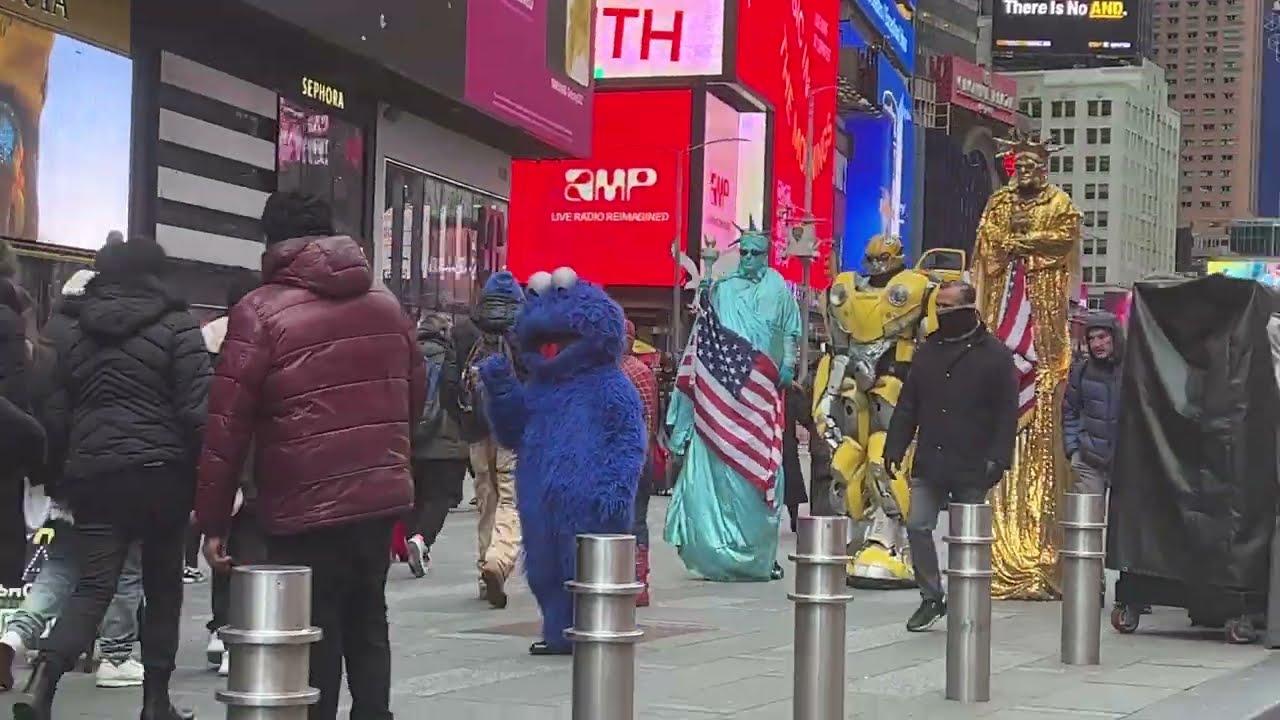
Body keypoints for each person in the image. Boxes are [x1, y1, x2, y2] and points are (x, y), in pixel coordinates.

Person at [195, 192, 424, 720]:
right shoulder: (387, 306)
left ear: (272, 242)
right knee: (369, 614)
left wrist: (212, 520)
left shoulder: (258, 311)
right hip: (377, 492)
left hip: (300, 497)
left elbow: (227, 424)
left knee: (312, 622)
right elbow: (413, 396)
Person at [16, 237, 211, 720]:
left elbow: (53, 411)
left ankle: (43, 681)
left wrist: (59, 475)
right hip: (163, 477)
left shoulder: (65, 327)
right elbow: (197, 411)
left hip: (95, 477)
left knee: (92, 587)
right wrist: (208, 476)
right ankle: (155, 703)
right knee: (163, 588)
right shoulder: (178, 324)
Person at [4, 265, 148, 692]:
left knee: (63, 563)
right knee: (125, 564)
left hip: (65, 478)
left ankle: (14, 634)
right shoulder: (106, 342)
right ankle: (117, 655)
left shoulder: (47, 343)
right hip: (114, 470)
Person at [973, 130, 1082, 600]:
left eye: (1034, 166)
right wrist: (1008, 242)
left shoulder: (1060, 203)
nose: (1027, 174)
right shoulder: (998, 202)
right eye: (1020, 167)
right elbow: (987, 244)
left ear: (1046, 167)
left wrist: (1026, 240)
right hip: (1002, 326)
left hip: (1045, 333)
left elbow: (1063, 240)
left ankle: (1040, 551)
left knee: (1042, 431)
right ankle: (997, 547)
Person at [664, 227, 802, 582]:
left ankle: (759, 555)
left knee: (762, 477)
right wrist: (708, 280)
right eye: (745, 253)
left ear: (768, 255)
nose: (749, 259)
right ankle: (715, 550)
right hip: (720, 402)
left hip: (761, 400)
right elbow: (704, 332)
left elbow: (790, 331)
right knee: (717, 479)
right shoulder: (723, 289)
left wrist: (788, 363)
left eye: (757, 253)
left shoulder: (778, 289)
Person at [884, 280, 1019, 632]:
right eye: (938, 306)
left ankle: (965, 599)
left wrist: (999, 458)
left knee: (967, 538)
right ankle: (931, 596)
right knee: (917, 525)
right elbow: (909, 404)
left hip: (974, 462)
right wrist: (894, 446)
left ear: (967, 308)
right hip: (931, 458)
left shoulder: (995, 355)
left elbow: (1007, 412)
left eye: (947, 306)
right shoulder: (928, 350)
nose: (940, 312)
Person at [200, 270, 264, 676]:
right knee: (252, 553)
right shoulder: (263, 337)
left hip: (221, 454)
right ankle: (236, 636)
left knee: (222, 547)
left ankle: (219, 630)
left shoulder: (207, 340)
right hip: (256, 463)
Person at [450, 271, 524, 608]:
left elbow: (448, 383)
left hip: (476, 428)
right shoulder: (525, 332)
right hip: (512, 429)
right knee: (511, 498)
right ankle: (499, 559)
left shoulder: (465, 330)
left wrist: (463, 421)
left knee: (486, 499)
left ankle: (485, 570)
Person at [404, 311, 469, 578]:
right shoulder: (452, 358)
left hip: (411, 439)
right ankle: (421, 540)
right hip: (446, 441)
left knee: (415, 497)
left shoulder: (407, 357)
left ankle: (416, 541)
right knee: (440, 498)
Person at [620, 319, 659, 606]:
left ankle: (622, 576)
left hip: (619, 458)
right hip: (640, 456)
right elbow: (651, 418)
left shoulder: (606, 372)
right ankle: (639, 579)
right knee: (638, 520)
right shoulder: (642, 372)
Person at [1063, 312, 1123, 496]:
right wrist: (1073, 450)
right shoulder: (1081, 372)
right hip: (1089, 460)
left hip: (1127, 462)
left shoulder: (1133, 370)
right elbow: (1069, 411)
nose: (1097, 344)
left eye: (1102, 337)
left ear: (1115, 337)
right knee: (1088, 520)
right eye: (1091, 339)